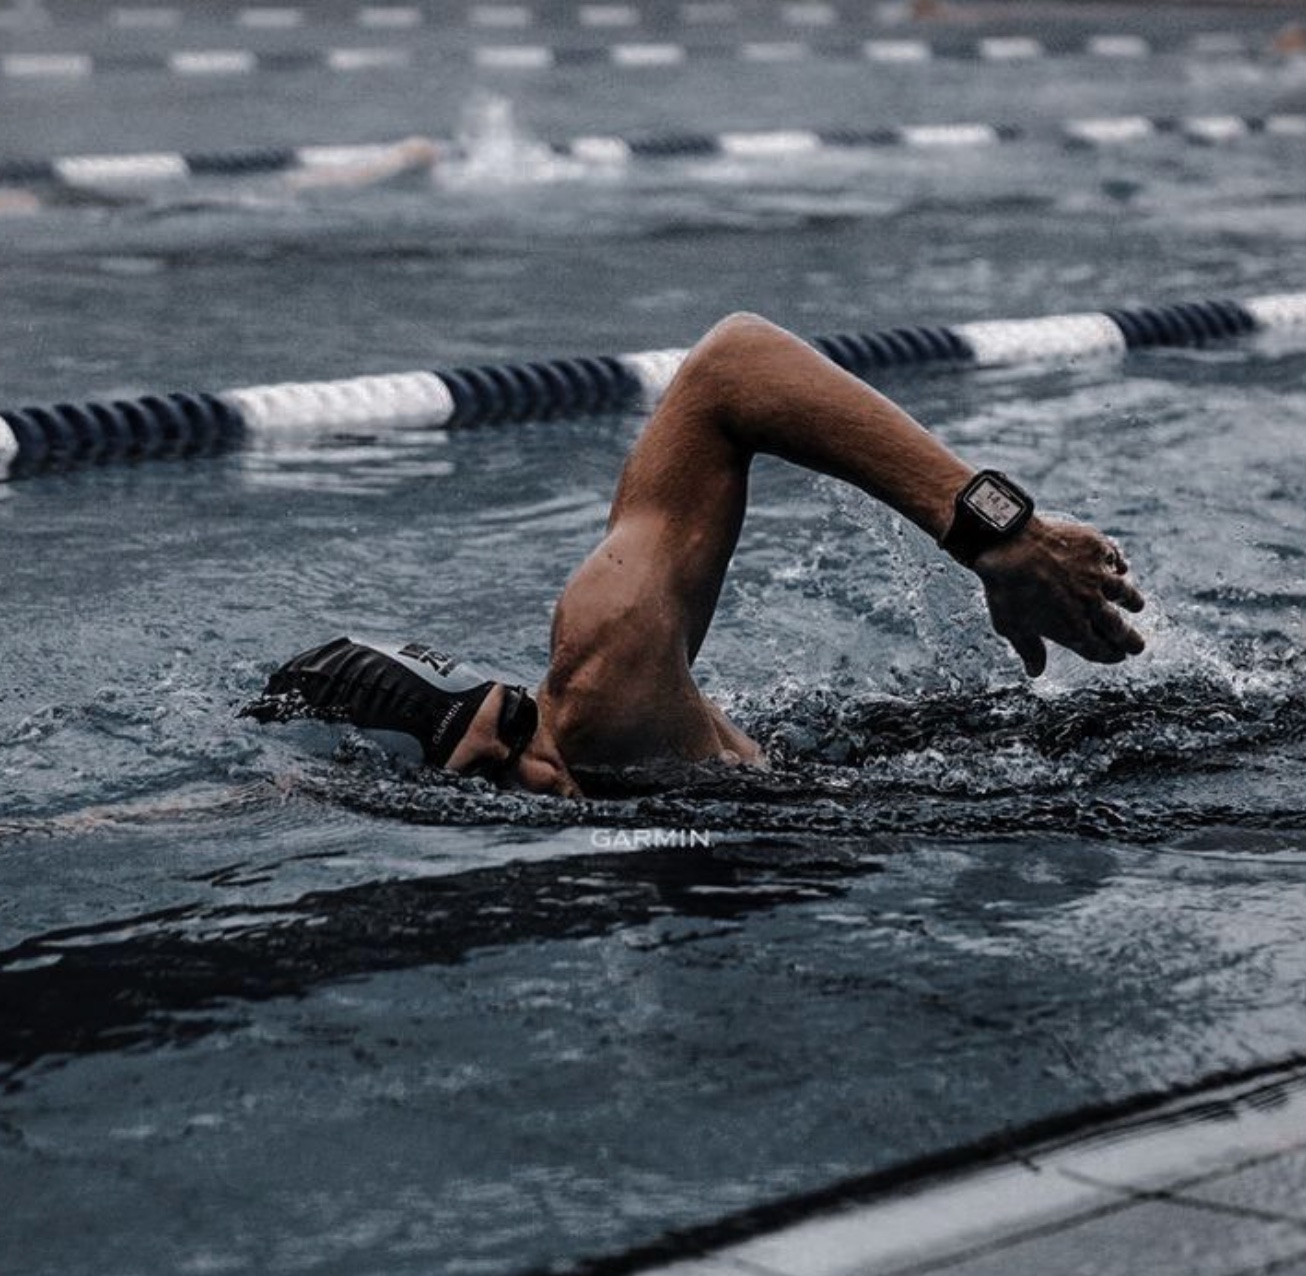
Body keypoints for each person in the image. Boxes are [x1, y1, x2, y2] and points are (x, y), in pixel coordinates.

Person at [248, 313, 1146, 798]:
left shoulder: (600, 702)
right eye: (483, 777)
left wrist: (1000, 533)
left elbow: (733, 366)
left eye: (511, 724)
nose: (538, 765)